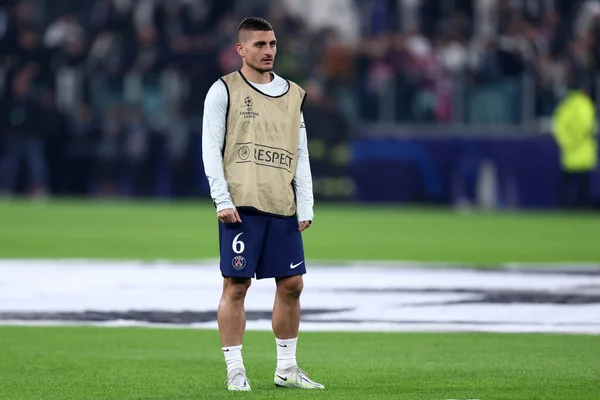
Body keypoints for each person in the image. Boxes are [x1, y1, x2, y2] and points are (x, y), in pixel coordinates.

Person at [201, 17, 324, 391]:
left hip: (281, 204)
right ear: (241, 49)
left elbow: (299, 153)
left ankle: (287, 368)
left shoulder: (292, 94)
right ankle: (235, 369)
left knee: (293, 284)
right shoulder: (223, 90)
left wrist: (306, 202)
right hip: (242, 204)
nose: (268, 51)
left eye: (271, 44)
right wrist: (221, 198)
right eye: (259, 45)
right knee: (236, 286)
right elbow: (210, 147)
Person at [551, 78, 597, 209]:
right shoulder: (585, 104)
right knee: (583, 187)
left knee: (566, 185)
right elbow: (585, 127)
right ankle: (582, 207)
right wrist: (575, 141)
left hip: (568, 153)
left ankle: (564, 206)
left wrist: (566, 142)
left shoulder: (566, 105)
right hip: (583, 154)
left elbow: (558, 126)